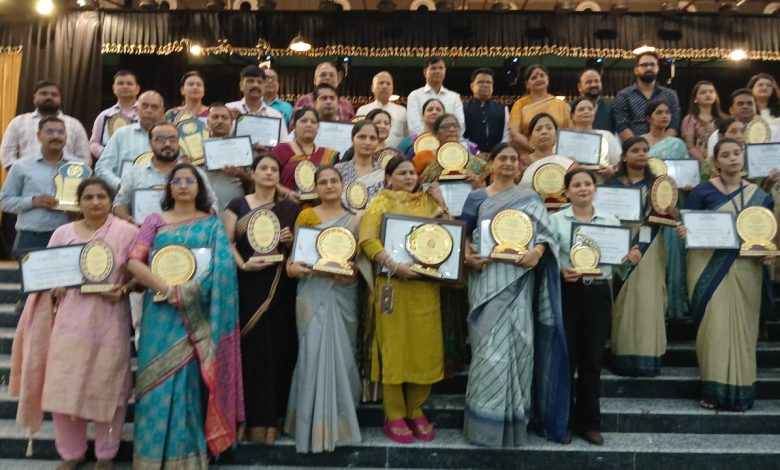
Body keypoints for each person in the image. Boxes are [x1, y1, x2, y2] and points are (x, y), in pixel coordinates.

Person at [10, 177, 138, 470]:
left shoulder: (127, 233)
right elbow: (46, 273)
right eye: (88, 197)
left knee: (109, 387)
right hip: (68, 322)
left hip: (109, 320)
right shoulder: (63, 233)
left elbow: (138, 276)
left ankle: (106, 453)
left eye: (101, 197)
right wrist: (52, 286)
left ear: (111, 200)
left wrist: (125, 290)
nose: (95, 202)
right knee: (64, 386)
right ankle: (72, 452)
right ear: (78, 203)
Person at [127, 163, 243, 467]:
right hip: (160, 311)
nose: (182, 185)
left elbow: (222, 269)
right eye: (176, 181)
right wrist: (168, 290)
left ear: (199, 187)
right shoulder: (154, 221)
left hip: (197, 314)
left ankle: (186, 458)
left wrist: (188, 293)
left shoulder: (212, 223)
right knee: (153, 385)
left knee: (189, 384)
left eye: (189, 180)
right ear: (169, 188)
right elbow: (134, 262)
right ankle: (150, 458)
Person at [459, 143, 569, 447]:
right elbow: (462, 234)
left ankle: (515, 421)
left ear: (519, 165)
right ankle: (484, 425)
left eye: (512, 159)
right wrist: (468, 257)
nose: (508, 163)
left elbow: (546, 235)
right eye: (502, 158)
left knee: (520, 343)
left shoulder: (530, 198)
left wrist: (537, 252)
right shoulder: (476, 197)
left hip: (519, 281)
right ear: (492, 163)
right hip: (487, 279)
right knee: (488, 350)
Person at [358, 155, 449, 444]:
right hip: (393, 285)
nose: (409, 177)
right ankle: (394, 413)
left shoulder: (429, 203)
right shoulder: (380, 203)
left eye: (412, 173)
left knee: (424, 348)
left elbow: (449, 236)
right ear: (388, 178)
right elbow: (368, 240)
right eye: (402, 173)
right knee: (394, 349)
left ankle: (416, 408)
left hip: (424, 287)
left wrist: (442, 203)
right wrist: (395, 265)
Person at [679, 138, 774, 411]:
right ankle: (713, 390)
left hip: (746, 268)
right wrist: (685, 230)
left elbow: (767, 233)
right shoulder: (702, 191)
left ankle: (742, 392)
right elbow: (689, 223)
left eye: (737, 153)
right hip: (707, 265)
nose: (733, 158)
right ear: (716, 161)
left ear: (743, 157)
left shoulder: (759, 196)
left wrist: (768, 251)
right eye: (726, 155)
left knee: (743, 330)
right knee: (714, 329)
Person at [549, 168, 641, 446]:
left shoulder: (610, 221)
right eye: (576, 185)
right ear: (566, 192)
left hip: (598, 292)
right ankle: (562, 422)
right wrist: (560, 270)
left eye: (587, 184)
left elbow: (617, 262)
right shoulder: (555, 221)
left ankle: (588, 423)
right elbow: (546, 257)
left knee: (592, 359)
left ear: (595, 188)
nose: (583, 189)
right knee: (566, 359)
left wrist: (629, 258)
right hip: (568, 292)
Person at [222, 154, 299, 444]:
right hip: (247, 282)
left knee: (277, 349)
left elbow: (302, 249)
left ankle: (273, 419)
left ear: (279, 176)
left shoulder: (290, 208)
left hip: (280, 287)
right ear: (252, 173)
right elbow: (226, 242)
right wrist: (243, 265)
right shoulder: (237, 205)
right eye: (263, 168)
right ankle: (246, 419)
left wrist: (291, 240)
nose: (268, 172)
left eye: (274, 169)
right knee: (250, 349)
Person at [284, 166, 363, 453]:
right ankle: (309, 427)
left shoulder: (356, 218)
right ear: (315, 187)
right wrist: (292, 269)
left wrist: (351, 272)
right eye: (323, 182)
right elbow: (294, 259)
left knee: (343, 355)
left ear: (342, 185)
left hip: (343, 293)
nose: (329, 186)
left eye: (334, 181)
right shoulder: (306, 216)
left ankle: (340, 426)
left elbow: (360, 262)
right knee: (311, 353)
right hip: (311, 290)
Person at [605, 137, 668, 377]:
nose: (641, 154)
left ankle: (647, 358)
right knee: (622, 302)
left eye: (645, 150)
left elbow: (667, 217)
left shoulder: (657, 186)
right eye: (635, 150)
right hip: (618, 246)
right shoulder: (611, 185)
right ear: (624, 156)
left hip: (648, 249)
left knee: (646, 300)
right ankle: (621, 355)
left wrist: (671, 213)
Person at [113, 122, 218, 224]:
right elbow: (119, 205)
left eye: (172, 139)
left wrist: (199, 224)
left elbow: (213, 203)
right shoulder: (134, 174)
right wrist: (131, 222)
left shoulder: (196, 173)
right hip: (142, 231)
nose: (167, 144)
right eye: (160, 139)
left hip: (187, 232)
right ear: (150, 143)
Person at [642, 100, 690, 320]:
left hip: (670, 204)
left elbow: (685, 173)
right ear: (648, 118)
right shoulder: (640, 143)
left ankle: (673, 306)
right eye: (659, 112)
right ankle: (650, 305)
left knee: (672, 254)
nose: (664, 116)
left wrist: (688, 183)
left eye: (668, 112)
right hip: (645, 206)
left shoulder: (677, 144)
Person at [0, 117, 75, 257]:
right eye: (50, 132)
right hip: (30, 237)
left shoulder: (77, 168)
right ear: (39, 136)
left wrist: (77, 209)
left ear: (66, 136)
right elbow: (4, 201)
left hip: (67, 237)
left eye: (61, 132)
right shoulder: (21, 166)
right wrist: (34, 201)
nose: (56, 136)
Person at [0, 79, 90, 168]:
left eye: (54, 94)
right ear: (34, 97)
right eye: (43, 94)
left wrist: (67, 175)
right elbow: (7, 155)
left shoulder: (74, 124)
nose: (49, 97)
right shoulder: (19, 122)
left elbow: (85, 159)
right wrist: (22, 172)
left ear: (60, 99)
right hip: (26, 176)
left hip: (65, 176)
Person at [95, 91, 165, 191]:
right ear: (137, 110)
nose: (149, 110)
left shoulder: (171, 138)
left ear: (162, 112)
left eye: (154, 107)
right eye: (145, 106)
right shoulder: (121, 134)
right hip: (122, 196)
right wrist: (120, 185)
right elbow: (102, 168)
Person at [614, 52, 681, 140]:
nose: (649, 68)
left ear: (657, 68)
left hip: (665, 145)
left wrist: (662, 145)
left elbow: (674, 123)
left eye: (652, 65)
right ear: (636, 70)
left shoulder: (669, 94)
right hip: (634, 145)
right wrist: (638, 145)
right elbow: (622, 125)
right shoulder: (624, 95)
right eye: (644, 65)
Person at [272, 108, 340, 195]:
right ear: (294, 126)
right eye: (303, 121)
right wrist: (287, 193)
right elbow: (270, 179)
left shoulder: (329, 154)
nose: (309, 125)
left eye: (313, 122)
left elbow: (336, 183)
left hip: (320, 202)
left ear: (318, 127)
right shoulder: (281, 150)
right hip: (287, 201)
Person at [508, 64, 572, 151]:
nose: (538, 79)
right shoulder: (520, 104)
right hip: (527, 154)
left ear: (547, 79)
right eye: (534, 78)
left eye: (542, 76)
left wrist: (552, 152)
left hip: (556, 154)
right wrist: (536, 150)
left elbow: (569, 131)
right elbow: (514, 134)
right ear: (527, 84)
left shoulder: (561, 104)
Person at [413, 113, 490, 184]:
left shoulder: (476, 163)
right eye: (445, 126)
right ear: (436, 134)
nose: (452, 129)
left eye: (455, 126)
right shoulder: (429, 164)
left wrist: (479, 184)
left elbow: (491, 186)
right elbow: (419, 187)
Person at [205, 103, 253, 212]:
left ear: (231, 122)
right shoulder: (197, 148)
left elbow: (254, 182)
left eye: (224, 117)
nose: (220, 121)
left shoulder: (242, 146)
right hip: (206, 209)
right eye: (215, 117)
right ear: (208, 122)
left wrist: (239, 173)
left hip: (235, 208)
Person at [406, 56, 465, 136]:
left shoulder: (454, 97)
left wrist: (445, 138)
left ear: (445, 71)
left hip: (449, 141)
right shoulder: (414, 96)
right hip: (423, 141)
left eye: (440, 68)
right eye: (433, 68)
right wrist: (431, 139)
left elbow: (460, 125)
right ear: (425, 72)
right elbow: (414, 126)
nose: (437, 71)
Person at [89, 70, 140, 160]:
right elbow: (93, 143)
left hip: (139, 164)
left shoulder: (147, 115)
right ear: (114, 88)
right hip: (109, 164)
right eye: (120, 83)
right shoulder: (103, 116)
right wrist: (107, 154)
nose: (125, 86)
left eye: (129, 83)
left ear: (137, 89)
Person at [226, 65, 288, 138]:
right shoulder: (228, 110)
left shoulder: (276, 116)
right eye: (250, 81)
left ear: (264, 87)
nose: (255, 85)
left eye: (259, 82)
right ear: (241, 85)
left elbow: (284, 142)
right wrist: (229, 119)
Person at [517, 113, 576, 189]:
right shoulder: (521, 162)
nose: (544, 132)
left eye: (549, 128)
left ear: (556, 135)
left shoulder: (566, 162)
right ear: (530, 137)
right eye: (538, 129)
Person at [569, 96, 620, 177]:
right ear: (572, 116)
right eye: (581, 109)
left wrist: (611, 170)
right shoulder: (565, 138)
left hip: (602, 181)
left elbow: (618, 164)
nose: (586, 111)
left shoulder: (607, 136)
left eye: (590, 109)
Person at [335, 121, 384, 205]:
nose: (367, 142)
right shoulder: (338, 170)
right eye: (362, 137)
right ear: (352, 139)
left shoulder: (383, 173)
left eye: (372, 138)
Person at [463, 68, 510, 154]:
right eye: (480, 82)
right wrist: (476, 152)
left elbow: (507, 136)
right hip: (471, 157)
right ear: (472, 86)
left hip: (496, 156)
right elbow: (460, 137)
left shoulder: (503, 109)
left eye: (489, 82)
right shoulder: (462, 110)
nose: (485, 85)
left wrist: (495, 153)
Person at [356, 71, 408, 147]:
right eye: (381, 83)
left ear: (392, 88)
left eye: (388, 83)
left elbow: (407, 138)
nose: (385, 86)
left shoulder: (402, 111)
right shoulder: (362, 111)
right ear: (372, 88)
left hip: (396, 153)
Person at [681, 81, 722, 162]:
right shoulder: (689, 119)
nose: (708, 95)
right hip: (698, 162)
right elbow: (689, 146)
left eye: (711, 92)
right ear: (695, 99)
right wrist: (705, 163)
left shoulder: (723, 118)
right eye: (703, 92)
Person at [577, 68, 614, 133]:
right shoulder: (570, 107)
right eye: (589, 82)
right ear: (579, 87)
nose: (593, 85)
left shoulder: (612, 106)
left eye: (597, 81)